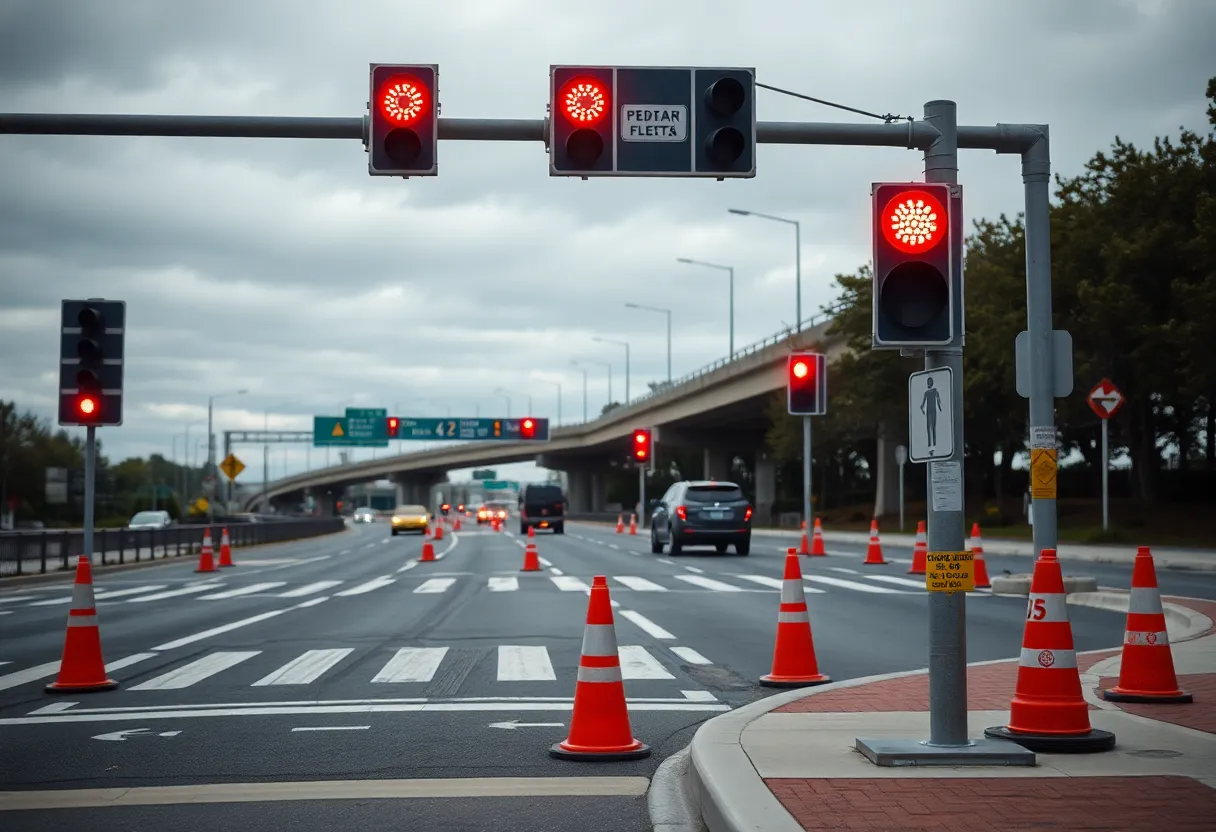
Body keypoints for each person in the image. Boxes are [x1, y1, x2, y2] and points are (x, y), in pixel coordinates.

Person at [920, 376, 942, 453]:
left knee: (931, 428)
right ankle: (931, 445)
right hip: (931, 411)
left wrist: (940, 408)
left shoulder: (933, 391)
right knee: (931, 428)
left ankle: (932, 445)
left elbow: (938, 401)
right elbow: (922, 405)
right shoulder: (931, 392)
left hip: (931, 411)